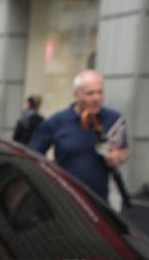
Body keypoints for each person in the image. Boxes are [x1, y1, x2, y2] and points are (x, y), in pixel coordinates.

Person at [29, 70, 130, 203]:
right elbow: (33, 154)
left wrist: (118, 156)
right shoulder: (57, 121)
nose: (96, 98)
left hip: (99, 200)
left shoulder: (113, 119)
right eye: (90, 93)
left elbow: (124, 151)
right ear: (76, 95)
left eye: (100, 92)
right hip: (65, 199)